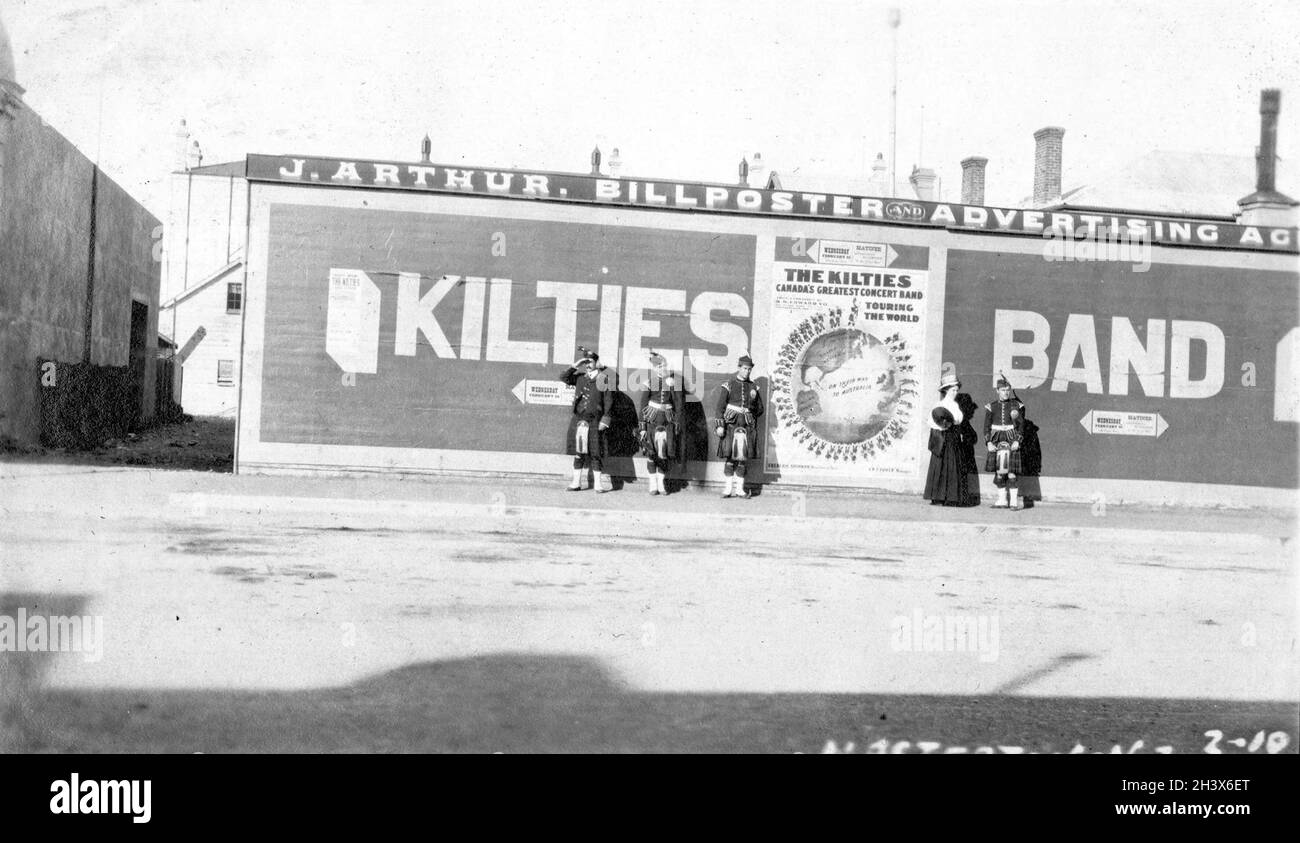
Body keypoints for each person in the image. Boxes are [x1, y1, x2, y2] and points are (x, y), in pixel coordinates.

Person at [561, 346, 616, 492]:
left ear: (596, 363)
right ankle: (576, 483)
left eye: (590, 361)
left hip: (595, 420)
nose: (587, 365)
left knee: (595, 453)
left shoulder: (604, 379)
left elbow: (609, 400)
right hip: (580, 420)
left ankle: (598, 485)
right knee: (579, 452)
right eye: (585, 362)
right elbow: (563, 378)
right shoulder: (580, 378)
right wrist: (575, 365)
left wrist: (606, 419)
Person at [712, 354, 764, 498]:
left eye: (749, 369)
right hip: (731, 425)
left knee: (742, 459)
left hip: (746, 425)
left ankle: (740, 490)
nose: (747, 372)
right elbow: (719, 408)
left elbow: (760, 410)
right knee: (729, 457)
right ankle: (728, 489)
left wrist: (752, 403)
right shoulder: (728, 385)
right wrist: (719, 426)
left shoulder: (754, 387)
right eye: (745, 368)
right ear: (739, 368)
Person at [924, 368, 978, 505]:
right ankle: (938, 497)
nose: (955, 392)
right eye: (952, 390)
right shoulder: (939, 405)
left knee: (953, 466)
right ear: (946, 390)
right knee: (940, 466)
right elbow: (931, 421)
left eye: (956, 390)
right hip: (942, 439)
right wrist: (943, 424)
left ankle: (951, 497)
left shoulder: (955, 405)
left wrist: (953, 424)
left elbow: (958, 421)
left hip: (953, 438)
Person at [637, 351, 684, 495]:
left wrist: (677, 424)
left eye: (664, 366)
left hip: (668, 421)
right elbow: (643, 405)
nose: (661, 368)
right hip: (652, 420)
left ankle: (661, 484)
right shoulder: (649, 383)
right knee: (652, 453)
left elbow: (678, 405)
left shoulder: (673, 382)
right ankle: (653, 484)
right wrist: (643, 427)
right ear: (654, 368)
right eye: (659, 366)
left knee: (664, 453)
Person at [983, 373, 1026, 510]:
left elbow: (1021, 426)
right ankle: (1002, 500)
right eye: (1003, 390)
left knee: (1011, 472)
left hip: (1011, 438)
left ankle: (1013, 502)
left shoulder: (1016, 406)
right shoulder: (991, 406)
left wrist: (1017, 441)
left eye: (1008, 390)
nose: (1006, 393)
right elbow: (986, 427)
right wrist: (989, 442)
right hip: (996, 440)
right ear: (997, 391)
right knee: (1000, 472)